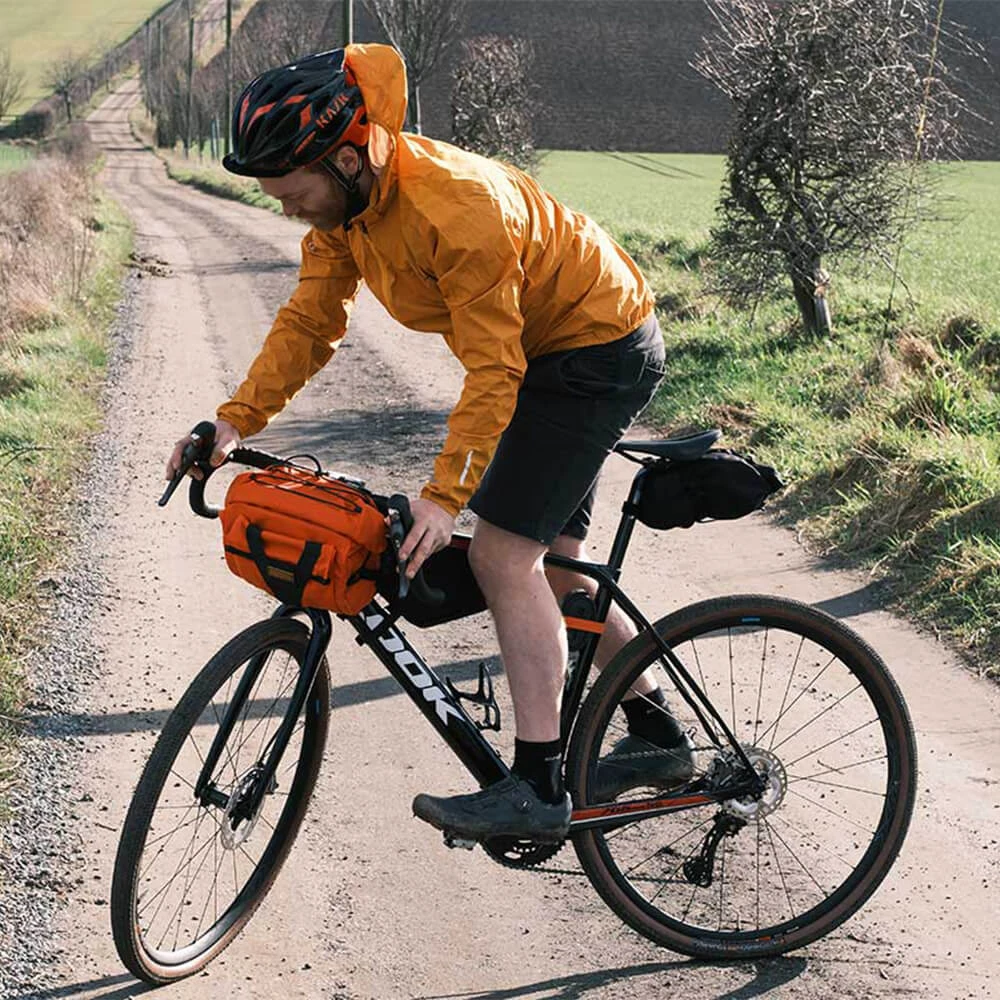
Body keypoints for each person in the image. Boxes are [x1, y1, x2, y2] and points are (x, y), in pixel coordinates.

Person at [166, 44, 693, 845]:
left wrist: (445, 498)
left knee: (503, 557)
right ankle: (660, 735)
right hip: (543, 351)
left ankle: (538, 786)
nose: (289, 211)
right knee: (553, 563)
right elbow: (311, 320)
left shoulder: (456, 207)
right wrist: (235, 420)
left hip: (594, 347)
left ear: (347, 159)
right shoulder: (349, 210)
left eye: (294, 194)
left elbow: (495, 371)